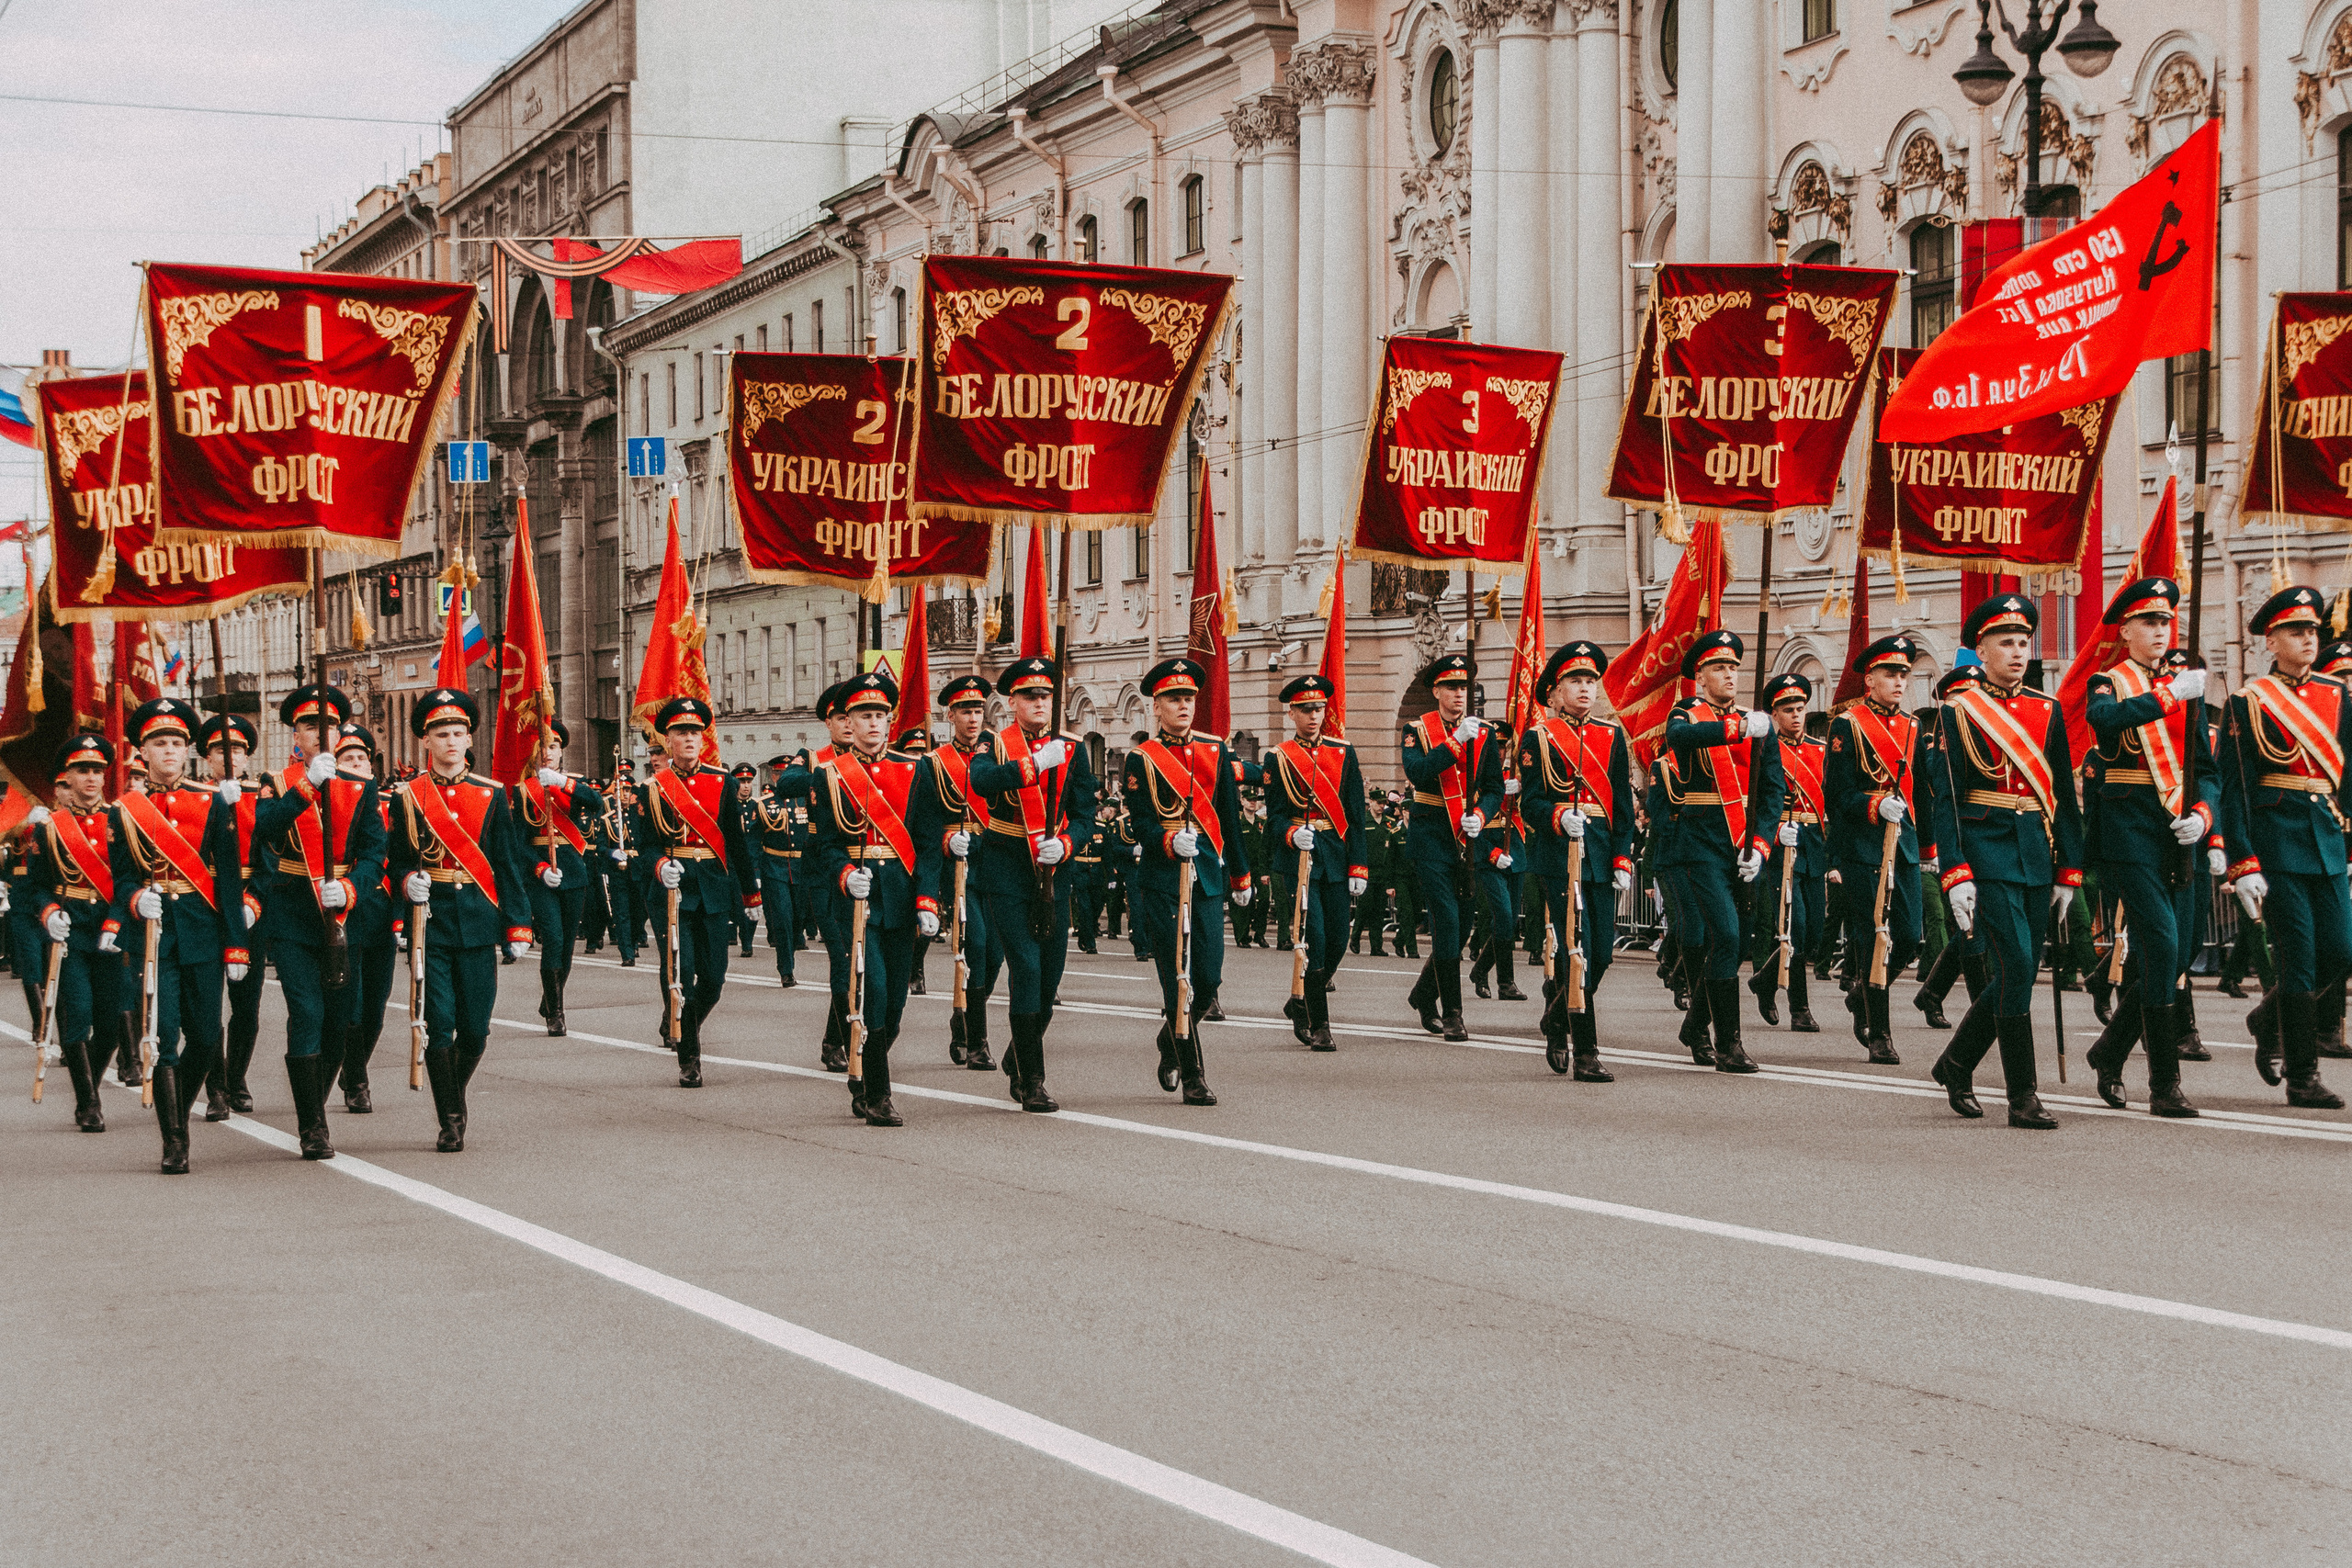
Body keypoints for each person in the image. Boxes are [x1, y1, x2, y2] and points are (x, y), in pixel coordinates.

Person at [1925, 595, 2085, 1129]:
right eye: (2006, 643)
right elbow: (1946, 798)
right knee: (2016, 966)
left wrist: (2069, 869)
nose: (2018, 653)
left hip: (2035, 852)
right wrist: (1955, 871)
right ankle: (2023, 1096)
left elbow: (2061, 791)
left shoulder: (2046, 709)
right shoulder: (1958, 710)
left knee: (2020, 971)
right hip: (1984, 850)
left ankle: (1957, 1061)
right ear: (1982, 650)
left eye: (2024, 643)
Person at [927, 656, 1095, 1111]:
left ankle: (1018, 1052)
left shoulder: (1073, 749)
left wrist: (1066, 845)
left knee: (1050, 980)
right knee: (1025, 968)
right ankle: (1032, 1080)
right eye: (1029, 696)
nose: (1039, 703)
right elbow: (981, 782)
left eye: (1045, 695)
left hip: (1053, 872)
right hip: (1006, 872)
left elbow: (1084, 816)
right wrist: (1034, 764)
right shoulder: (993, 745)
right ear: (1013, 701)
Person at [2079, 578, 2217, 1118]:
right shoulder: (2108, 681)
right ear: (2127, 630)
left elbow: (2205, 770)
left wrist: (2205, 816)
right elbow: (2104, 722)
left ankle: (2108, 1052)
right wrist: (2167, 697)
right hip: (2129, 833)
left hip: (2177, 835)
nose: (2160, 631)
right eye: (2149, 623)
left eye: (2166, 622)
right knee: (2160, 947)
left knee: (2176, 956)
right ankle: (2166, 1085)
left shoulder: (2188, 686)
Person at [2220, 584, 2352, 1109]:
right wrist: (2241, 861)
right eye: (2296, 631)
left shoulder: (2339, 697)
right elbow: (2236, 790)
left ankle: (2264, 1016)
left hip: (2328, 838)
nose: (2308, 639)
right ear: (2270, 641)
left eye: (2313, 630)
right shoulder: (2248, 703)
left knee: (2340, 953)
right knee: (2298, 963)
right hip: (2276, 847)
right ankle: (2303, 1076)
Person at [388, 689, 536, 1152]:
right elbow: (395, 860)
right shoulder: (409, 796)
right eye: (441, 734)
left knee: (475, 1029)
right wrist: (408, 882)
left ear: (469, 738)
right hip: (428, 925)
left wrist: (518, 925)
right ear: (426, 741)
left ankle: (454, 1092)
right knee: (440, 1024)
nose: (451, 741)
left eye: (458, 733)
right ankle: (450, 1118)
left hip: (476, 922)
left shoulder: (491, 795)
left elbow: (507, 864)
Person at [248, 684, 385, 1160]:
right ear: (297, 735)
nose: (320, 733)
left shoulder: (360, 787)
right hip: (291, 915)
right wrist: (306, 787)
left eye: (328, 725)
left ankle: (316, 1104)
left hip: (343, 917)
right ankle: (312, 1126)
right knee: (306, 1012)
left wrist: (350, 889)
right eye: (310, 726)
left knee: (341, 1020)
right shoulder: (278, 781)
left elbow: (373, 854)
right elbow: (263, 829)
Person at [1124, 657, 1251, 1103]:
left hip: (1208, 880)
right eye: (1173, 699)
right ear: (1156, 706)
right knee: (1177, 977)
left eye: (1189, 698)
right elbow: (1140, 821)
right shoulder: (1141, 759)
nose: (1183, 705)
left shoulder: (1215, 750)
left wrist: (1241, 874)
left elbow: (1231, 822)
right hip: (1162, 881)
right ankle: (1194, 1072)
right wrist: (1165, 840)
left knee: (1209, 979)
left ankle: (1168, 1039)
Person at [809, 671, 933, 1124]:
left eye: (881, 714)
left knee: (895, 1004)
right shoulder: (828, 776)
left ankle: (862, 1070)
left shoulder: (914, 769)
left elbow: (925, 841)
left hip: (899, 897)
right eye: (865, 715)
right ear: (850, 722)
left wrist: (928, 901)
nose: (875, 722)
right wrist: (843, 874)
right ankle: (879, 1094)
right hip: (855, 902)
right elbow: (822, 845)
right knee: (873, 992)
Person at [1661, 630, 1784, 1074]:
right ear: (1701, 676)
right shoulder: (1687, 715)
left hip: (1743, 843)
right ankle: (1729, 1044)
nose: (1729, 675)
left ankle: (1695, 1027)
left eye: (1734, 667)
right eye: (1719, 668)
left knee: (1740, 939)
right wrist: (1735, 729)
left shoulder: (1759, 724)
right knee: (1727, 935)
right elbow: (1680, 739)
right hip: (1699, 842)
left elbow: (1773, 793)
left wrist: (1761, 844)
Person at [633, 696, 761, 1089]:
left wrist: (750, 895)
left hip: (712, 887)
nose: (689, 739)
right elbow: (645, 846)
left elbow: (736, 842)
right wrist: (660, 866)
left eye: (694, 732)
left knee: (714, 979)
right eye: (680, 733)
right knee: (679, 971)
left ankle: (680, 1020)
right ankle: (690, 1053)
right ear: (667, 740)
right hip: (671, 889)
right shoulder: (651, 789)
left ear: (703, 739)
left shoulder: (722, 781)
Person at [1520, 640, 1632, 1081]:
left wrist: (1622, 856)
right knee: (1577, 950)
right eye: (1575, 681)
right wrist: (1557, 814)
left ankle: (1556, 1011)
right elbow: (1529, 803)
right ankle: (1586, 1051)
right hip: (1557, 856)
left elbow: (1621, 804)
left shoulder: (1610, 735)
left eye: (1590, 681)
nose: (1586, 689)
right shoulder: (1539, 737)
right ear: (1554, 691)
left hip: (1601, 855)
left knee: (1601, 952)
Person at [1826, 636, 1928, 1066]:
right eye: (1890, 673)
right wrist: (1872, 803)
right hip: (1863, 848)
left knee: (1908, 936)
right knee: (1873, 941)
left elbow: (1921, 790)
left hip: (1902, 845)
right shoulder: (1847, 725)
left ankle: (1860, 992)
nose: (1899, 681)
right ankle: (1879, 1034)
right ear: (1870, 679)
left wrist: (1931, 847)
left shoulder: (1913, 726)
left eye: (1904, 673)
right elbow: (1836, 793)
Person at [1261, 673, 1368, 1053]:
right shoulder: (1278, 757)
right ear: (1292, 713)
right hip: (1300, 860)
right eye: (1305, 709)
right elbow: (1272, 817)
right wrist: (1291, 834)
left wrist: (1359, 866)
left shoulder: (1343, 752)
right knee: (1315, 939)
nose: (1313, 716)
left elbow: (1356, 814)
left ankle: (1300, 999)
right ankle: (1320, 1024)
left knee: (1339, 939)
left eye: (1319, 709)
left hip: (1336, 857)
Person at [1400, 655, 1505, 1041]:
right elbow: (1418, 773)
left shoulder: (1484, 733)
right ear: (1436, 692)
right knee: (1445, 920)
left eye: (1464, 688)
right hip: (1430, 838)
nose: (1459, 694)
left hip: (1466, 839)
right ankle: (1453, 1013)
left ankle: (1424, 995)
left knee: (1461, 925)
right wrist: (1453, 743)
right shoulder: (1417, 730)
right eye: (1451, 688)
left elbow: (1493, 786)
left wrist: (1481, 812)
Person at [28, 738, 126, 1134]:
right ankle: (88, 1101)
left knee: (111, 1023)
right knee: (78, 1015)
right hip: (70, 931)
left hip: (109, 928)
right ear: (66, 777)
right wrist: (49, 914)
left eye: (97, 770)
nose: (91, 777)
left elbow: (128, 879)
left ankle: (90, 1088)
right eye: (82, 770)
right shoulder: (49, 827)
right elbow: (34, 887)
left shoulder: (120, 821)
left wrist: (118, 921)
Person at [920, 675, 1005, 1072]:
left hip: (997, 862)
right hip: (961, 870)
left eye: (978, 710)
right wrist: (945, 839)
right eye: (965, 711)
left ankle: (962, 1018)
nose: (973, 718)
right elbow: (923, 823)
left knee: (996, 956)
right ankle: (978, 1042)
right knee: (978, 947)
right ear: (949, 715)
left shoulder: (998, 755)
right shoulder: (934, 763)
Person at [775, 684, 857, 1070]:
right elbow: (784, 785)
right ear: (829, 722)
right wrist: (827, 778)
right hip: (823, 871)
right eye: (841, 718)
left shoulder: (875, 759)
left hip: (862, 870)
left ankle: (841, 1034)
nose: (848, 725)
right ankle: (835, 1042)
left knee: (862, 958)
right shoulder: (814, 757)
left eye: (851, 717)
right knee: (842, 956)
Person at [193, 714, 266, 1119]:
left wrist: (253, 902)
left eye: (237, 749)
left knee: (246, 1005)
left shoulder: (260, 795)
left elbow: (272, 853)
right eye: (221, 750)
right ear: (207, 756)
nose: (230, 756)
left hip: (247, 906)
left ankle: (237, 1078)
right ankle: (215, 1087)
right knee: (207, 1005)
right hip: (206, 905)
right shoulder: (197, 797)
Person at [1910, 665, 1989, 1028]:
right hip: (1949, 843)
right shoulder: (1935, 741)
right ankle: (1980, 1007)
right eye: (1961, 697)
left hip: (1984, 840)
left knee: (1972, 926)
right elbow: (1939, 787)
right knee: (1966, 925)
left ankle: (1932, 992)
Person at [327, 723, 400, 1115]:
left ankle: (355, 1067)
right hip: (345, 914)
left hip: (382, 914)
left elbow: (402, 859)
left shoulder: (392, 803)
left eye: (361, 759)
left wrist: (404, 914)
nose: (356, 764)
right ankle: (355, 1079)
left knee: (375, 1006)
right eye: (347, 759)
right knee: (349, 1005)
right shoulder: (328, 800)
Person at [1749, 671, 1827, 1033]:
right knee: (1793, 928)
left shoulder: (1819, 750)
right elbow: (1755, 803)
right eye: (1787, 709)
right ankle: (1801, 1008)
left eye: (1800, 708)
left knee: (1813, 934)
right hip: (1780, 846)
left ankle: (1765, 981)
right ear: (1774, 714)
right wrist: (1775, 831)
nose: (1796, 715)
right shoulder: (1764, 750)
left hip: (1813, 843)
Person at [516, 718, 601, 1037]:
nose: (547, 752)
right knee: (552, 937)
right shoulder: (523, 790)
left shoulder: (572, 784)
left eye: (553, 746)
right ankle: (556, 1012)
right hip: (543, 875)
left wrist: (562, 783)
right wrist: (539, 869)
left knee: (566, 944)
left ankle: (550, 998)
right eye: (542, 746)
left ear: (562, 751)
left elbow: (597, 802)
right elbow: (519, 844)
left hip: (572, 870)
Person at [1469, 719, 1528, 1002]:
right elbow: (1466, 823)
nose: (1500, 752)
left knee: (1511, 921)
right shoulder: (1473, 776)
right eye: (1495, 746)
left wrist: (1522, 791)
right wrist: (1491, 854)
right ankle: (1506, 982)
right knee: (1502, 916)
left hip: (1514, 849)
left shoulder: (1514, 775)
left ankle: (1480, 971)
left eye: (1503, 746)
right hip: (1485, 851)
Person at [750, 755, 804, 987]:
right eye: (779, 774)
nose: (783, 779)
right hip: (775, 868)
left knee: (798, 919)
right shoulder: (764, 804)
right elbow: (754, 842)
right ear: (773, 776)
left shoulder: (806, 801)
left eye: (787, 774)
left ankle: (790, 956)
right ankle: (786, 969)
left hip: (802, 869)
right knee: (783, 919)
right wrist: (757, 873)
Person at [594, 771, 642, 967]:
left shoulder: (639, 816)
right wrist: (612, 853)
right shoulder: (608, 819)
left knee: (639, 911)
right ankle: (626, 952)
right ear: (614, 794)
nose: (624, 794)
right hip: (618, 870)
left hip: (637, 868)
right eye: (620, 790)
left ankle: (635, 940)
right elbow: (600, 846)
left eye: (628, 790)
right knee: (622, 912)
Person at [730, 761, 763, 958]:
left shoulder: (758, 807)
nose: (745, 785)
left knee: (754, 903)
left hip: (754, 864)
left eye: (749, 781)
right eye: (742, 781)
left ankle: (748, 939)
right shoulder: (730, 807)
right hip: (734, 864)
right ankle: (743, 936)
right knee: (737, 903)